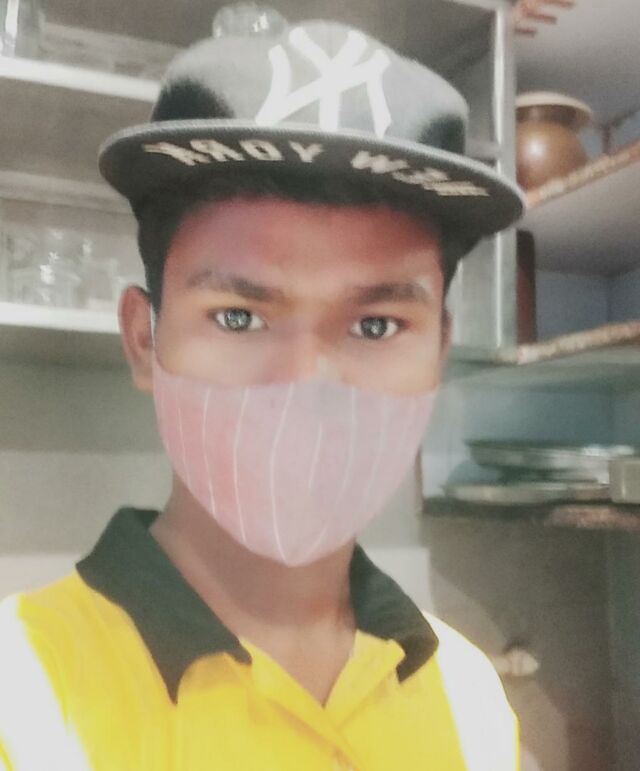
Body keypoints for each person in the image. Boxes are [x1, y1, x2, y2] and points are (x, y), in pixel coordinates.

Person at [0, 10, 525, 771]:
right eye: (239, 316)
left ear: (440, 350)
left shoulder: (469, 696)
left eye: (376, 325)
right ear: (144, 339)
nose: (307, 382)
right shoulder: (19, 696)